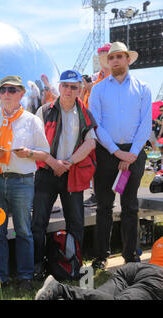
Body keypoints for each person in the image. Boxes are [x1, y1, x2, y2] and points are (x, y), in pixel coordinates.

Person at [0, 76, 50, 290]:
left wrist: (29, 153)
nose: (7, 94)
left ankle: (25, 277)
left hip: (21, 181)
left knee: (23, 230)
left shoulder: (31, 120)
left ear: (21, 94)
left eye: (12, 90)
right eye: (3, 90)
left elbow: (45, 154)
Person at [89, 42, 152, 270]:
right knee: (104, 206)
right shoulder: (98, 89)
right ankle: (101, 256)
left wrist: (132, 154)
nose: (114, 60)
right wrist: (116, 152)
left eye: (119, 56)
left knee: (130, 205)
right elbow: (96, 125)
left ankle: (131, 256)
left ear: (127, 59)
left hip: (134, 153)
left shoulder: (143, 87)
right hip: (107, 152)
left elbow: (145, 125)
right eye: (111, 57)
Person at [32, 70, 97, 280]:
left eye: (74, 87)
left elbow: (91, 142)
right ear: (59, 87)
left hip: (72, 173)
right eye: (65, 86)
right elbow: (35, 142)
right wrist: (53, 162)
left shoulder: (84, 112)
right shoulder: (44, 110)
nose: (69, 90)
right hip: (46, 172)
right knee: (38, 222)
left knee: (75, 222)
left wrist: (68, 163)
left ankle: (73, 264)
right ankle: (37, 266)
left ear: (80, 89)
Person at [35, 237, 163, 300]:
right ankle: (60, 289)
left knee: (98, 296)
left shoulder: (159, 240)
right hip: (157, 277)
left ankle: (57, 293)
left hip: (133, 269)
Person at [82, 43, 112, 208]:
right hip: (92, 124)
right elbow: (83, 97)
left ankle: (108, 195)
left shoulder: (116, 77)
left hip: (109, 125)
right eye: (101, 55)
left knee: (110, 162)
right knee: (95, 161)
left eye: (106, 54)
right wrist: (86, 88)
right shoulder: (95, 76)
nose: (104, 58)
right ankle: (96, 194)